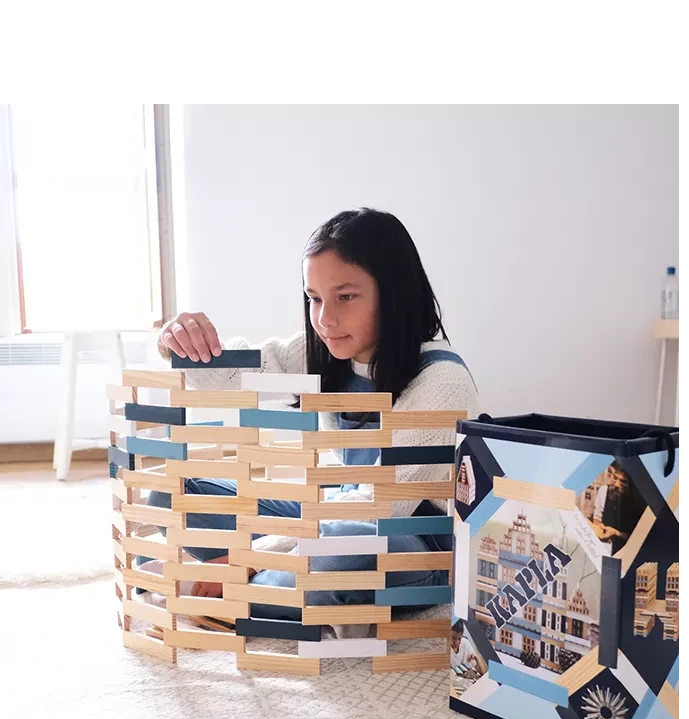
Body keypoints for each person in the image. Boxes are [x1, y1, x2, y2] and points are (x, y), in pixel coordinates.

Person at [149, 208, 480, 625]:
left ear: (394, 293)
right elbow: (228, 378)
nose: (325, 319)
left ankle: (229, 586)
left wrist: (251, 554)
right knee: (173, 494)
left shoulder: (442, 381)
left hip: (412, 541)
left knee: (343, 556)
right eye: (315, 298)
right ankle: (260, 584)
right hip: (332, 514)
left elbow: (380, 507)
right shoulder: (323, 352)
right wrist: (176, 340)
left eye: (346, 296)